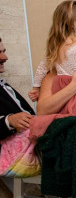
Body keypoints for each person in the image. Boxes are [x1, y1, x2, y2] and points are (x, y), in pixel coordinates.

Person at [28, 0, 76, 109]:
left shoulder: (57, 47)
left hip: (61, 91)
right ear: (72, 23)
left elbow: (42, 68)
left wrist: (36, 87)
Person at [0, 38, 39, 179]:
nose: (5, 57)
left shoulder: (4, 86)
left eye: (4, 51)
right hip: (11, 156)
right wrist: (9, 121)